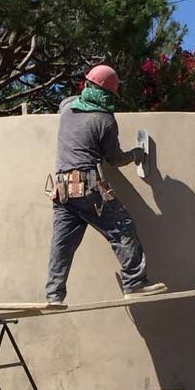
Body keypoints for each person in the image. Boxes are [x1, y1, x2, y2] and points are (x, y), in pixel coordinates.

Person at [45, 64, 166, 306]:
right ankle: (134, 282)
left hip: (61, 189)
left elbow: (67, 101)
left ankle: (54, 295)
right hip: (89, 187)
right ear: (108, 94)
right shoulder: (105, 120)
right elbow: (114, 159)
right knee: (122, 227)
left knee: (63, 243)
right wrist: (136, 154)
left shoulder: (68, 109)